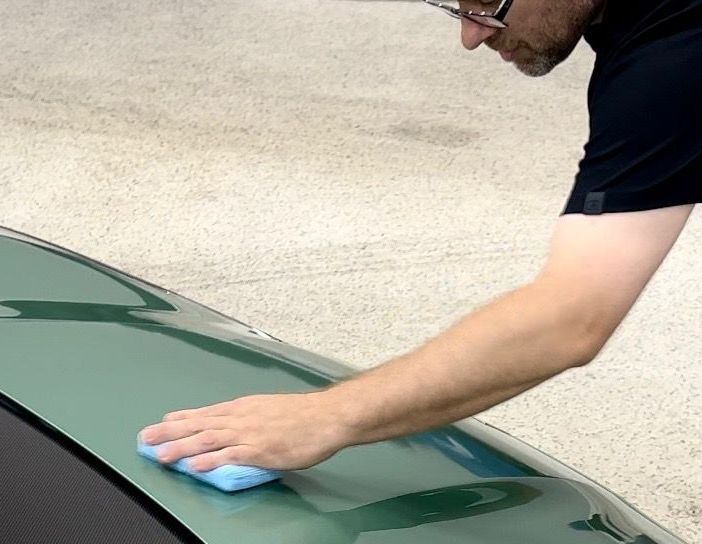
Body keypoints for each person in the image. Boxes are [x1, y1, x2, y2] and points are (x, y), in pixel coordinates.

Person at [139, 0, 702, 473]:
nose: (471, 35)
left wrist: (327, 417)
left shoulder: (673, 63)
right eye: (456, 8)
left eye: (489, 6)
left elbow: (570, 317)